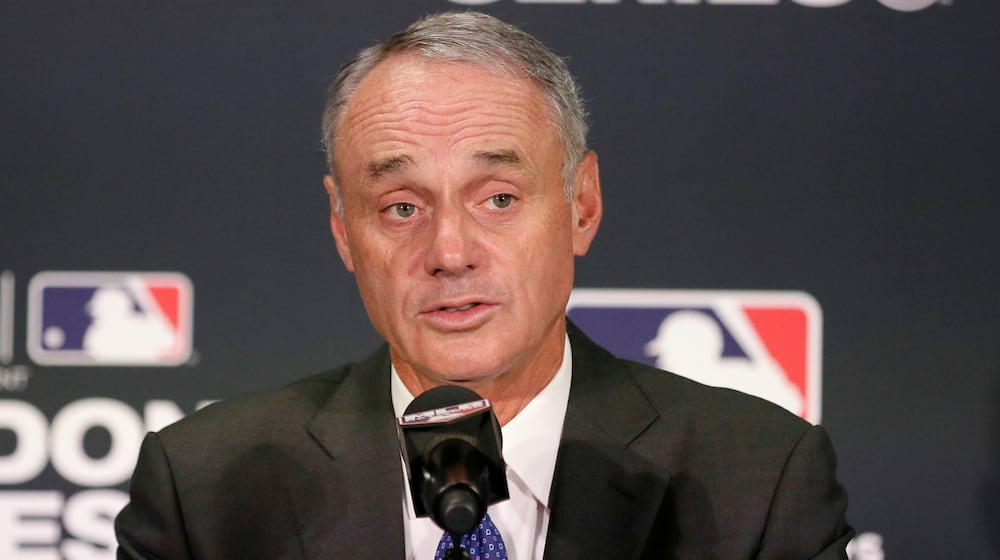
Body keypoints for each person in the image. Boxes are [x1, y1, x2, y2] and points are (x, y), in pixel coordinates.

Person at [115, 11, 852, 559]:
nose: (449, 252)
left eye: (498, 197)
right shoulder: (207, 491)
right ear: (343, 229)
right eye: (400, 207)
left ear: (581, 206)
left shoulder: (758, 480)